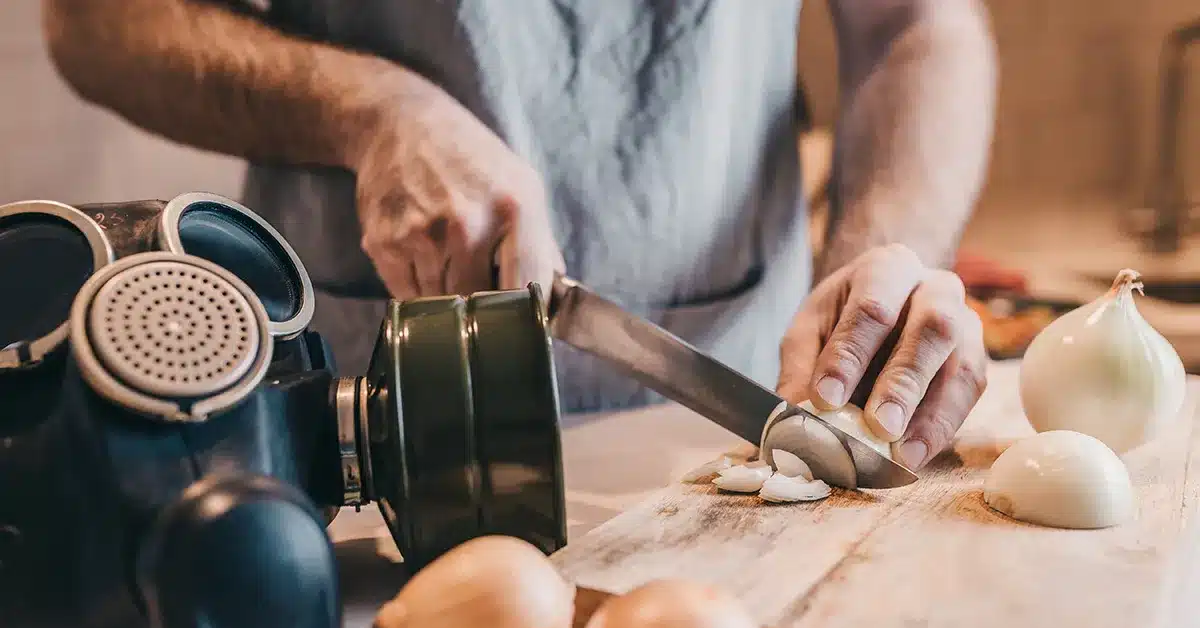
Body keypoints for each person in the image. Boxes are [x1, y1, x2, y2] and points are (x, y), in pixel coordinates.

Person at [43, 0, 997, 471]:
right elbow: (98, 23)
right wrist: (367, 109)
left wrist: (891, 249)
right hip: (368, 438)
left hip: (741, 422)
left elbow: (915, 24)